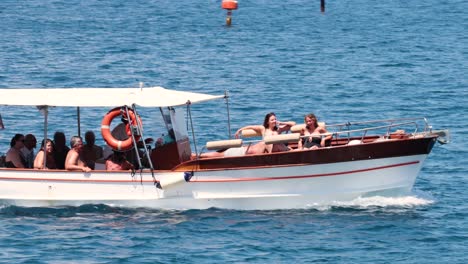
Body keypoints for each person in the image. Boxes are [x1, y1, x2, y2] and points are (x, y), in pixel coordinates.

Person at [198, 112, 295, 158]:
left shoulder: (278, 130)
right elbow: (251, 127)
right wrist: (240, 129)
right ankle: (200, 156)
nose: (274, 121)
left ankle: (200, 155)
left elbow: (293, 124)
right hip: (248, 151)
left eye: (275, 119)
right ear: (267, 122)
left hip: (261, 154)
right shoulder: (263, 129)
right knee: (221, 154)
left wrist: (280, 122)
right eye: (272, 120)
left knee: (222, 154)